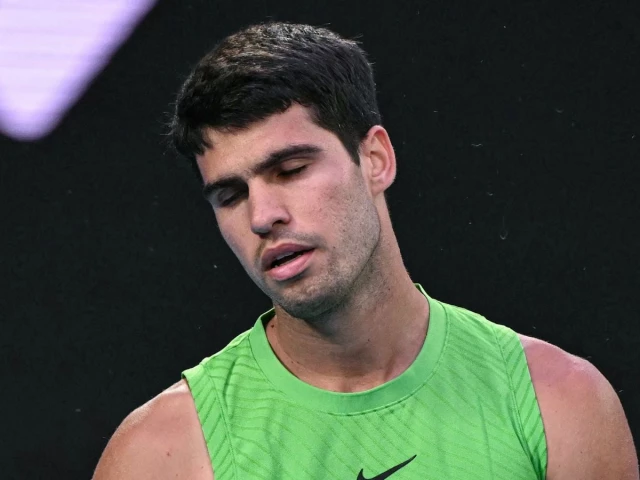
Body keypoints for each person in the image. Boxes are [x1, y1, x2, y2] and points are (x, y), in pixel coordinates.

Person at [93, 22, 638, 479]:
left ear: (375, 159)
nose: (262, 216)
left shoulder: (562, 404)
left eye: (290, 170)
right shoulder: (158, 455)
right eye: (230, 195)